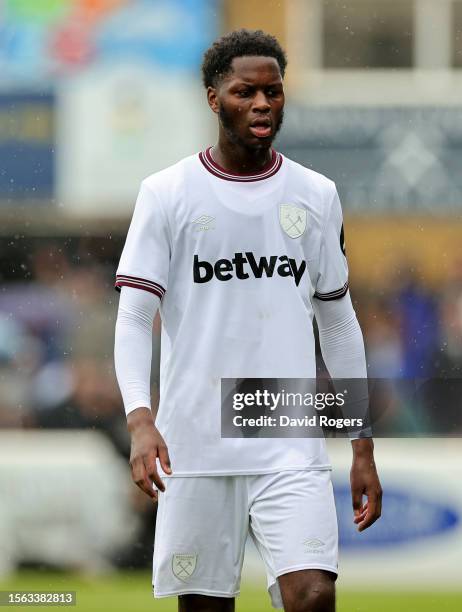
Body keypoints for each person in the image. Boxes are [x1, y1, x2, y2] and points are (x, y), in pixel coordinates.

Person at [114, 29, 382, 612]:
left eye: (273, 92)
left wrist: (362, 445)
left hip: (284, 424)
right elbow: (135, 317)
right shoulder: (166, 194)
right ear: (214, 99)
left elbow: (337, 322)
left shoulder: (316, 194)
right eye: (245, 92)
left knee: (313, 597)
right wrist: (140, 420)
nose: (262, 104)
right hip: (194, 435)